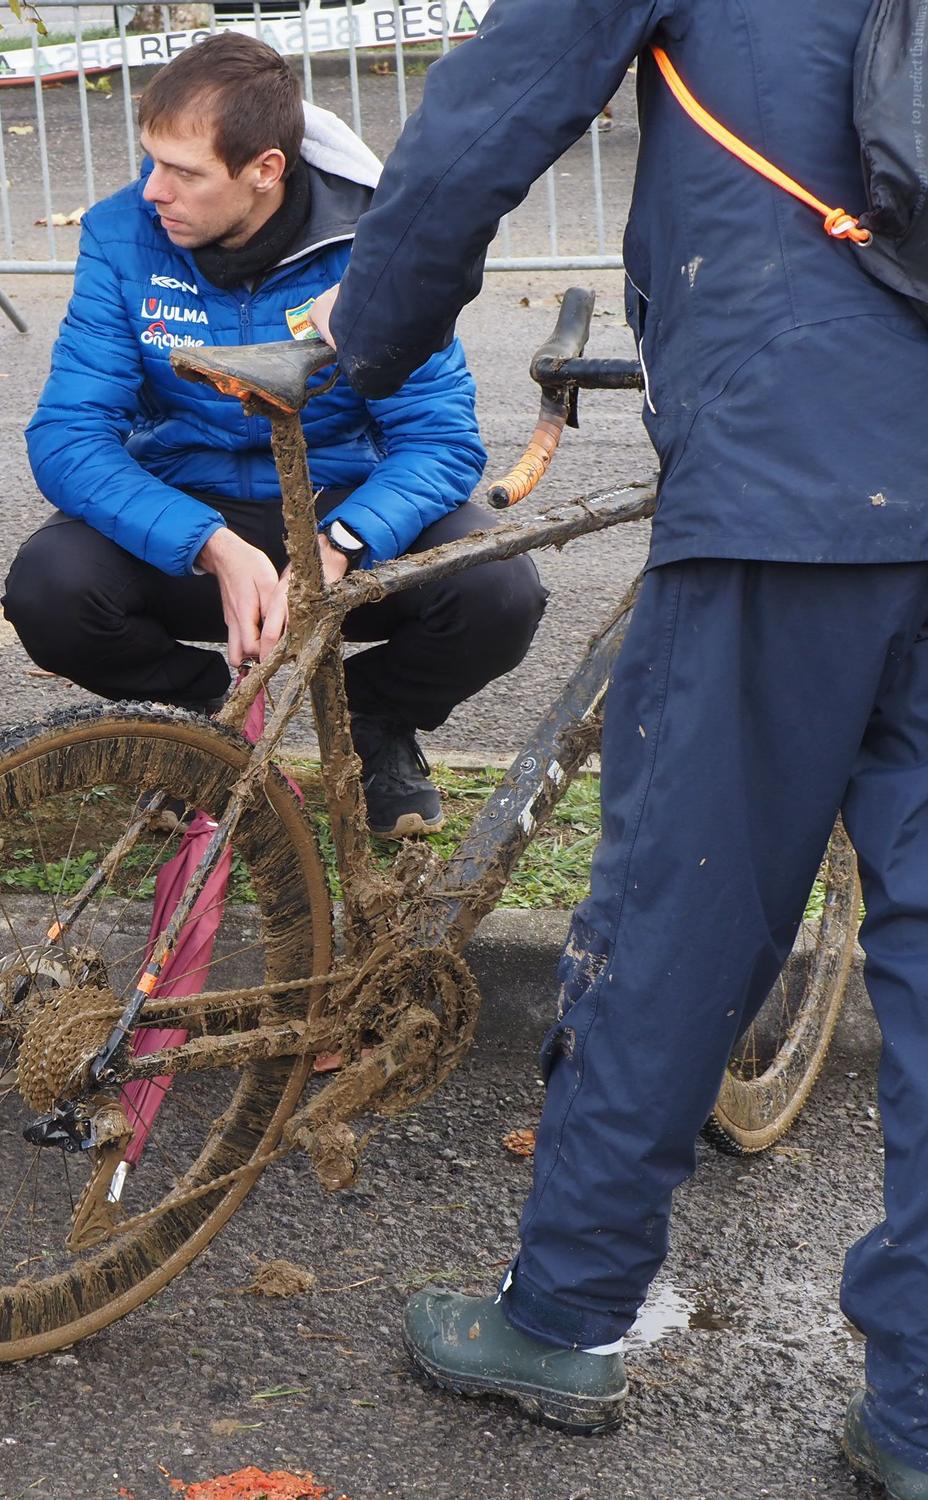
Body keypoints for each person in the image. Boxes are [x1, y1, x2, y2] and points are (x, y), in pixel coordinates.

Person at [310, 1, 928, 1488]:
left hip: (790, 466)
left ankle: (567, 1313)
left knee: (678, 909)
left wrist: (363, 339)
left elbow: (486, 121)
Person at [6, 33, 547, 838]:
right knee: (48, 590)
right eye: (151, 160)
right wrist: (208, 545)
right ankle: (196, 724)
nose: (154, 189)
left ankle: (373, 721)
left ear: (265, 169)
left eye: (185, 173)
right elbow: (67, 436)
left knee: (498, 590)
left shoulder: (375, 241)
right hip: (186, 508)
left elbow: (440, 442)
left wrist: (342, 542)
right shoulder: (121, 234)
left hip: (339, 506)